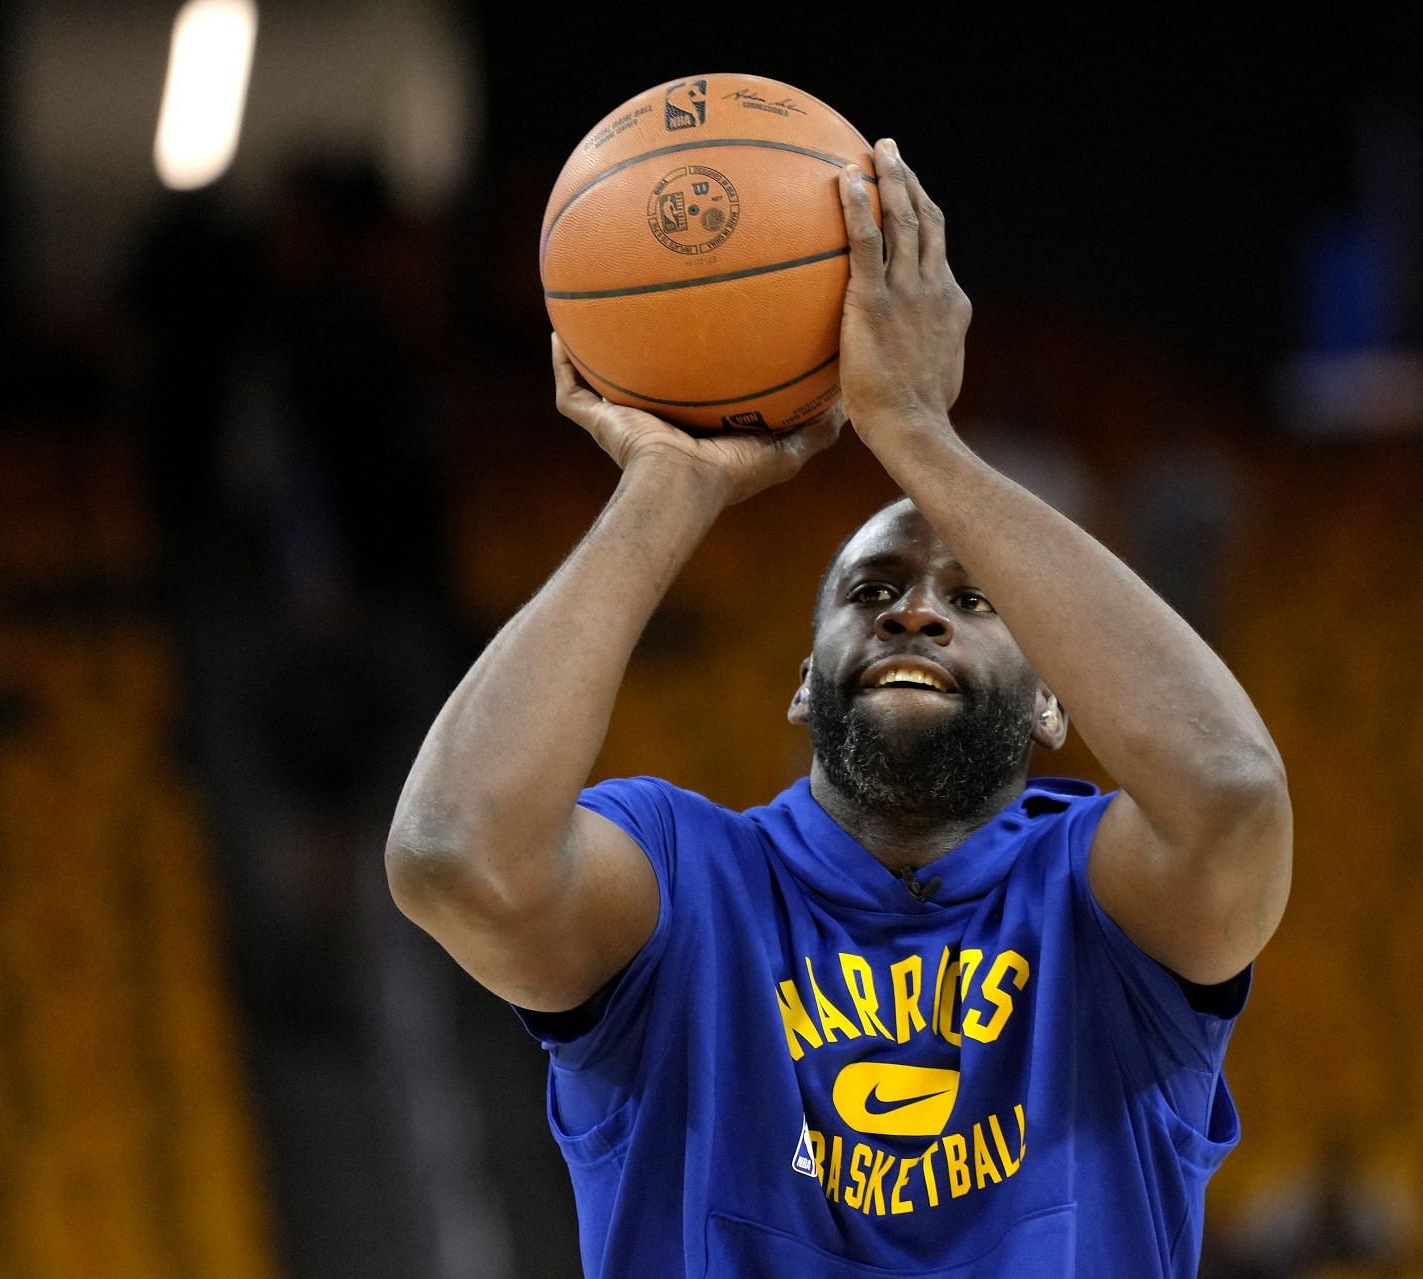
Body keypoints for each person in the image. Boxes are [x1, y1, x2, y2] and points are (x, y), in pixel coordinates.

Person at [386, 139, 1293, 1277]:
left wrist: (918, 435)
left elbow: (1233, 793)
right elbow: (451, 852)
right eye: (871, 592)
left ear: (1060, 699)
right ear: (805, 683)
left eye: (974, 598)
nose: (916, 612)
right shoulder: (688, 878)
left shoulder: (1098, 899)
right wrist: (671, 481)